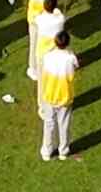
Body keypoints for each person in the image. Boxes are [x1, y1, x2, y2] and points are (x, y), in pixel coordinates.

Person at [37, 23, 78, 160]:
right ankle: (63, 151)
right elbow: (75, 68)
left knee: (49, 123)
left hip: (49, 94)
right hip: (65, 96)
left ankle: (46, 151)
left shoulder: (48, 56)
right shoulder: (70, 58)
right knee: (64, 124)